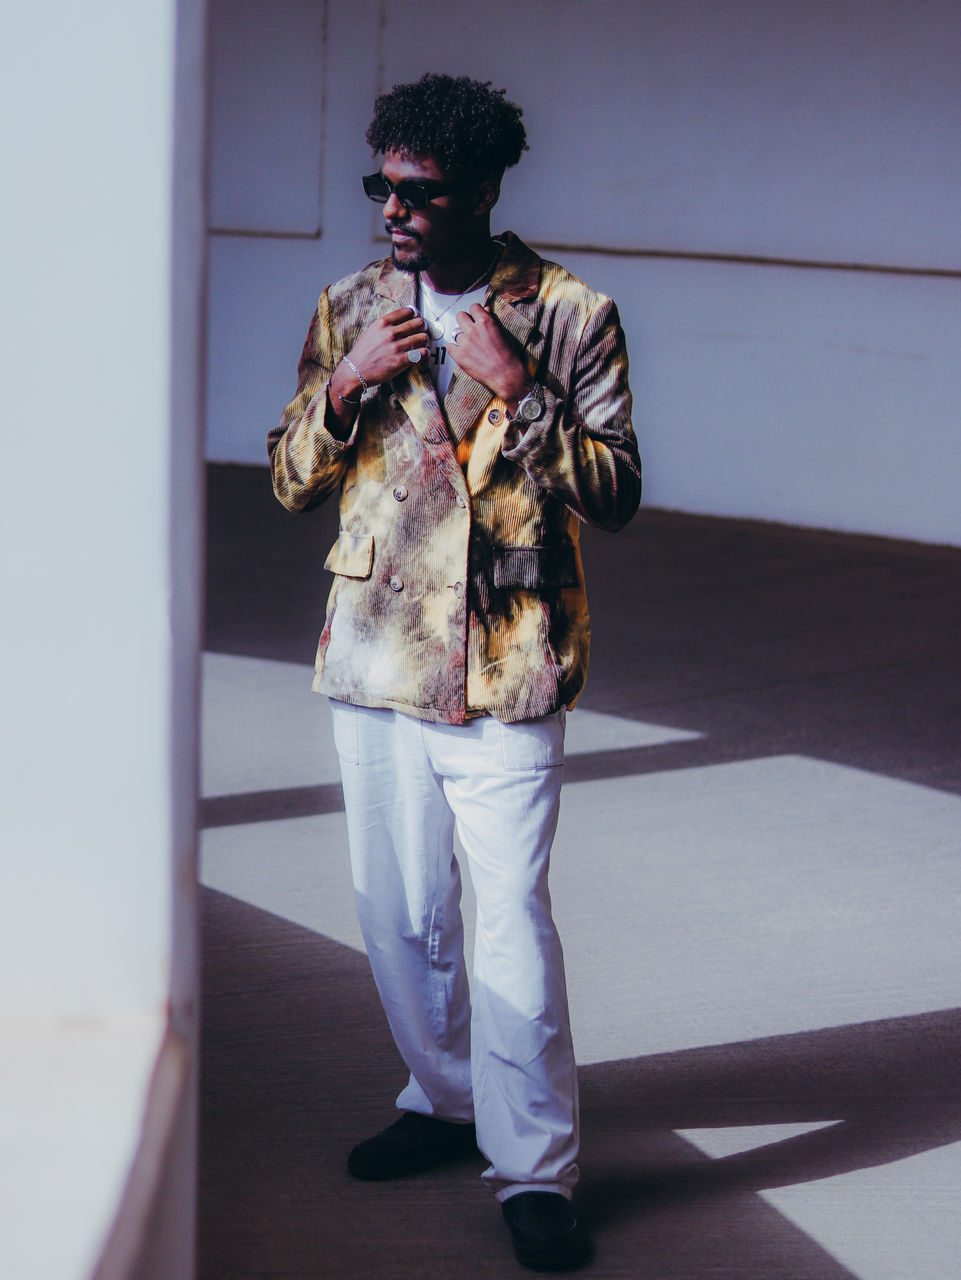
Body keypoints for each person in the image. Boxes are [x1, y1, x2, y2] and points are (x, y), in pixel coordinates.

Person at [268, 72, 640, 1272]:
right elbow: (287, 475)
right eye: (380, 184)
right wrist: (345, 381)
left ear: (481, 190)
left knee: (508, 925)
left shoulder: (570, 312)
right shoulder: (353, 304)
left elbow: (617, 491)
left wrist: (521, 386)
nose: (392, 208)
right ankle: (443, 1098)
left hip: (507, 652)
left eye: (417, 191)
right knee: (396, 912)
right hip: (373, 645)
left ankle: (534, 1168)